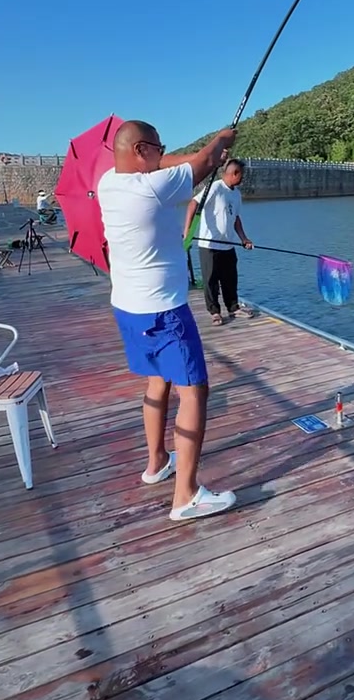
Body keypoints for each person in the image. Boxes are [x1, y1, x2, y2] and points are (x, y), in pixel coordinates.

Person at [97, 119, 238, 522]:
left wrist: (204, 157)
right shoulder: (152, 189)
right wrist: (221, 141)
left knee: (157, 380)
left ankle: (157, 461)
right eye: (158, 147)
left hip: (128, 307)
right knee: (194, 392)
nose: (163, 152)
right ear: (141, 150)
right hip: (162, 311)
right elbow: (203, 161)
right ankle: (186, 496)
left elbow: (180, 163)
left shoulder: (111, 182)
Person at [184, 159, 254, 325]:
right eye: (241, 175)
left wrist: (244, 238)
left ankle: (233, 308)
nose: (242, 179)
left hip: (227, 244)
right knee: (211, 280)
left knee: (230, 279)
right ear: (234, 173)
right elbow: (193, 203)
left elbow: (236, 218)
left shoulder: (236, 194)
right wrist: (187, 231)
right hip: (209, 246)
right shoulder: (215, 187)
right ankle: (214, 312)